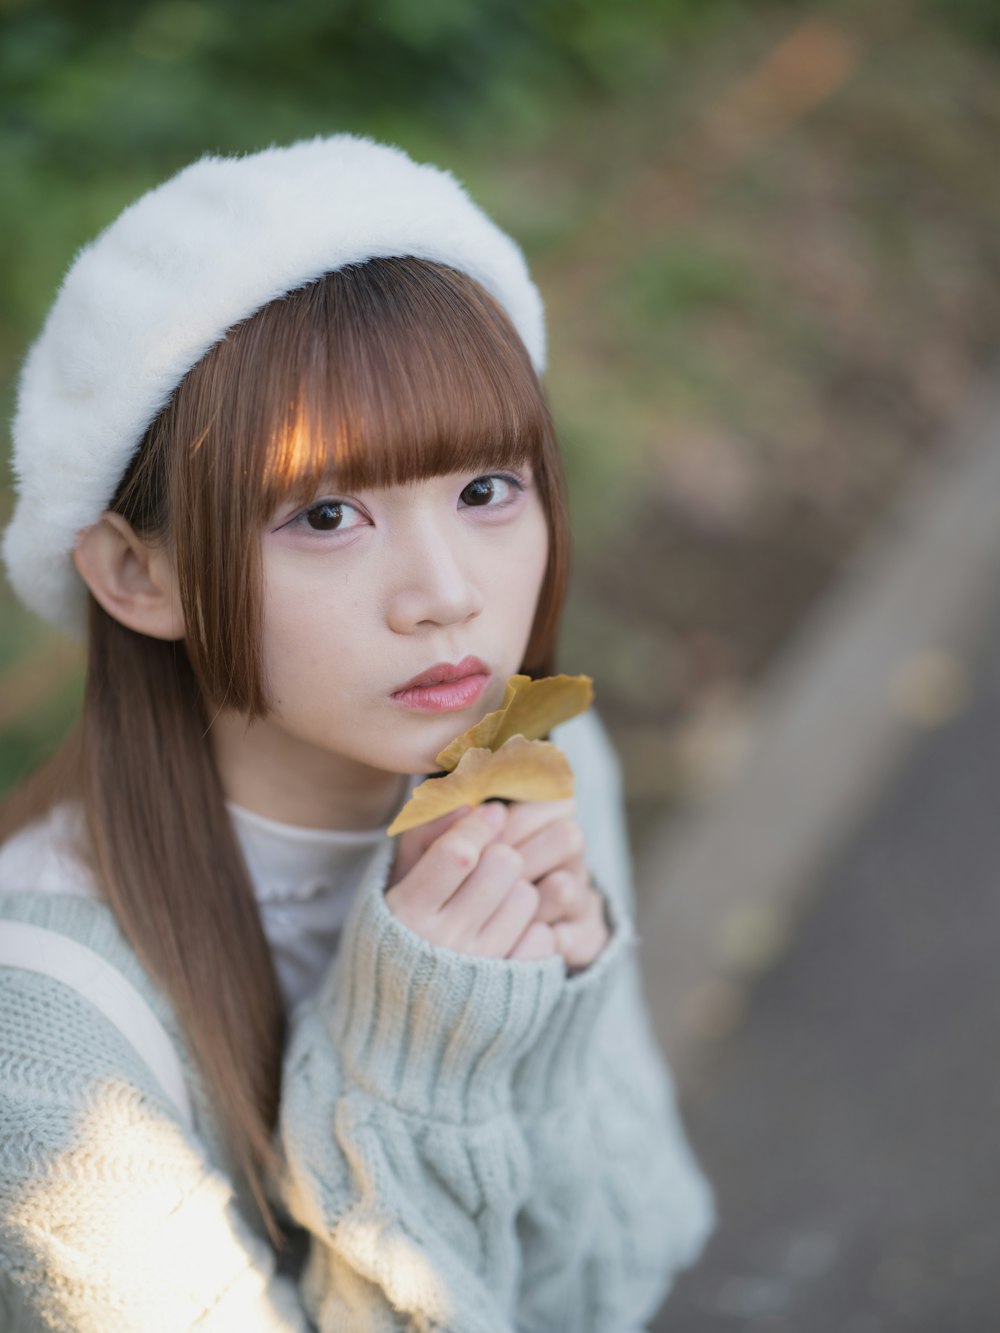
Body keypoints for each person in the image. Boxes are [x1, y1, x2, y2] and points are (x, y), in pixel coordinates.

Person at [0, 134, 713, 1331]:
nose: (443, 591)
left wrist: (559, 1019)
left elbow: (622, 1273)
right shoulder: (49, 1018)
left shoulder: (539, 774)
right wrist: (413, 1076)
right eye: (326, 514)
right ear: (136, 572)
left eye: (487, 490)